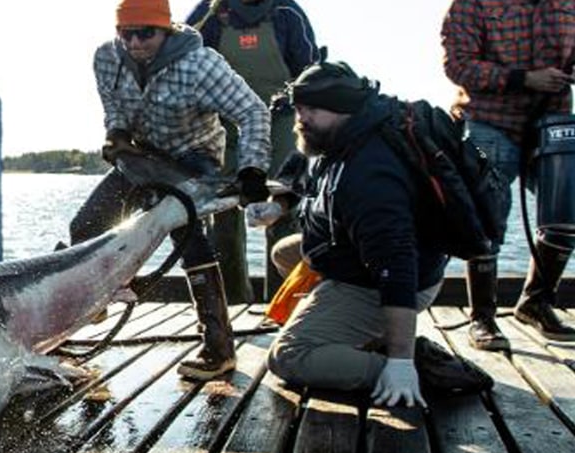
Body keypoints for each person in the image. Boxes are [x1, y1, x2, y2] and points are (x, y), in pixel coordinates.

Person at [72, 0, 271, 380]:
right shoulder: (106, 58)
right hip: (142, 152)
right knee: (85, 226)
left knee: (188, 237)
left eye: (145, 33)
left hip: (193, 156)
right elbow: (113, 106)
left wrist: (252, 169)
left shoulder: (201, 65)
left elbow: (252, 111)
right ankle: (90, 303)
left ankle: (218, 348)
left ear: (166, 29)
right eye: (125, 33)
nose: (134, 42)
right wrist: (116, 133)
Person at [265, 61, 451, 406]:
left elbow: (397, 269)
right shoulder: (340, 135)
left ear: (343, 108)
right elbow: (306, 174)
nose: (301, 117)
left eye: (313, 109)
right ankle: (355, 333)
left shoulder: (370, 176)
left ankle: (414, 368)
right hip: (351, 257)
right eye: (299, 108)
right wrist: (278, 206)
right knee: (285, 253)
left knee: (289, 355)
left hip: (388, 281)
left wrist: (400, 363)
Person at [442, 0, 575, 349]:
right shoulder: (471, 4)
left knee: (568, 212)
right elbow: (458, 66)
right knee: (486, 219)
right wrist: (525, 79)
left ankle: (536, 302)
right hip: (489, 122)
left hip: (553, 122)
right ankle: (482, 318)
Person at [185, 0, 321, 302]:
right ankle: (231, 300)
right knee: (222, 210)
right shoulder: (207, 13)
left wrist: (301, 105)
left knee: (285, 205)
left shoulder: (288, 12)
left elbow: (311, 68)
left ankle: (283, 301)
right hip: (223, 124)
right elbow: (182, 59)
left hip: (283, 120)